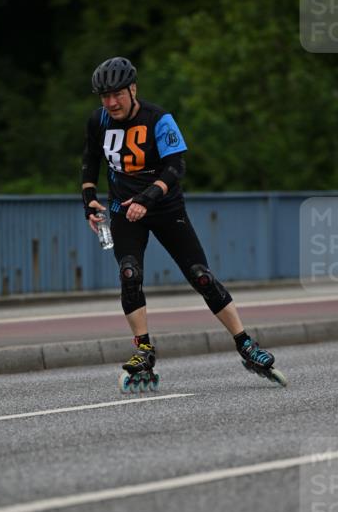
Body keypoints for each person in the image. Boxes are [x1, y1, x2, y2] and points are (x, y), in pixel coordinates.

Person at [81, 56, 285, 388]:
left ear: (133, 89)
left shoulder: (158, 119)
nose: (111, 102)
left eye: (117, 94)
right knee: (129, 273)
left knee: (201, 276)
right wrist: (88, 201)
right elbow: (90, 159)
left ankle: (246, 343)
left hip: (163, 207)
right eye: (104, 96)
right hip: (123, 212)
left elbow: (176, 167)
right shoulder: (98, 120)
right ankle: (144, 352)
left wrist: (147, 199)